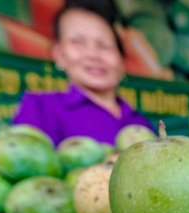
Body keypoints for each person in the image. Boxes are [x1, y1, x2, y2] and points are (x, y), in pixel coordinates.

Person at [12, 0, 154, 146]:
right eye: (78, 42)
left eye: (104, 45)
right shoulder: (39, 107)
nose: (93, 54)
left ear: (121, 59)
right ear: (59, 54)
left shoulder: (141, 123)